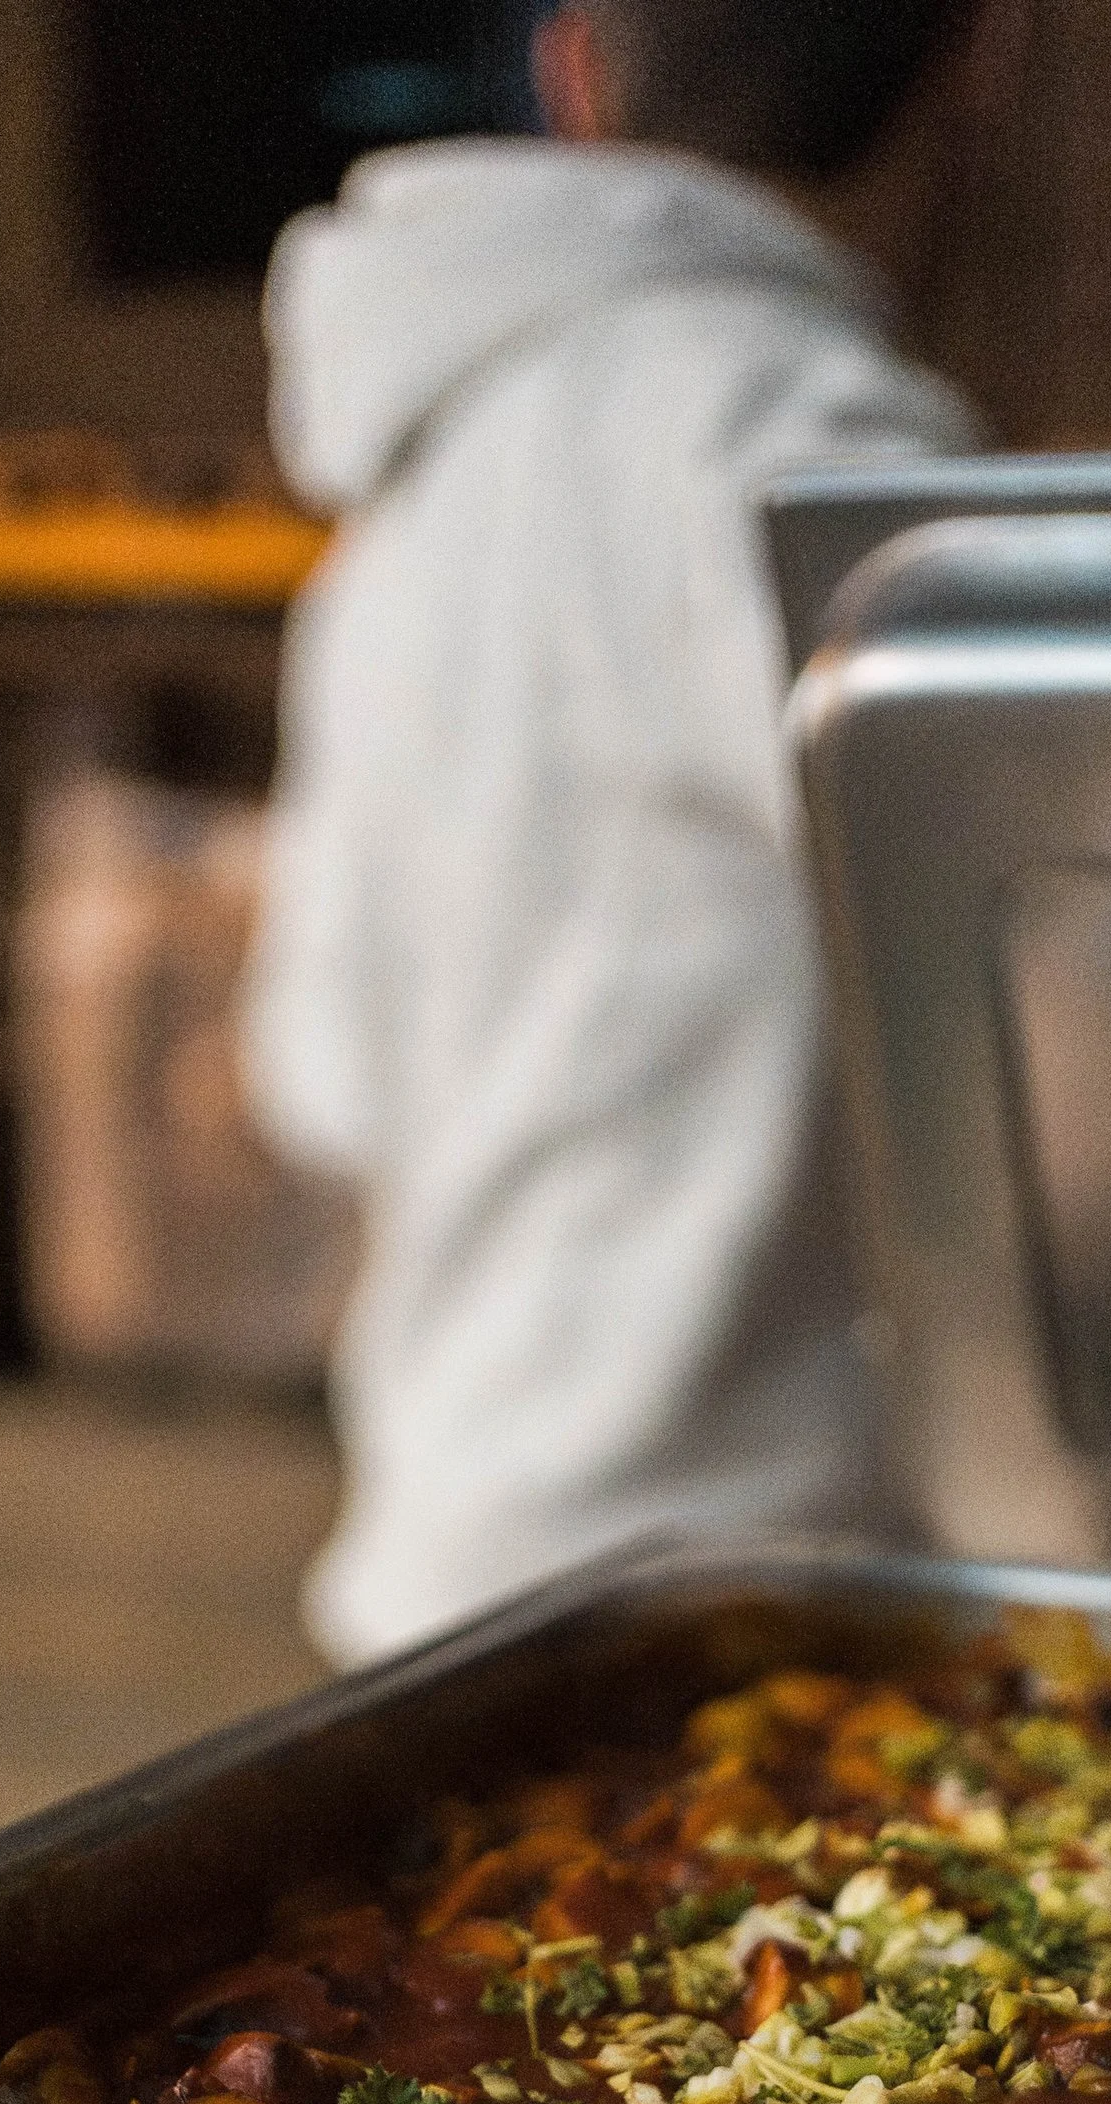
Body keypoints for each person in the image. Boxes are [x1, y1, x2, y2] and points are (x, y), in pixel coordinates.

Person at [243, 1, 996, 1666]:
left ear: (572, 66)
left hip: (441, 1557)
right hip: (734, 1599)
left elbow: (319, 1078)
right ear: (974, 67)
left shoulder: (402, 493)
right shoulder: (797, 439)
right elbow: (1074, 914)